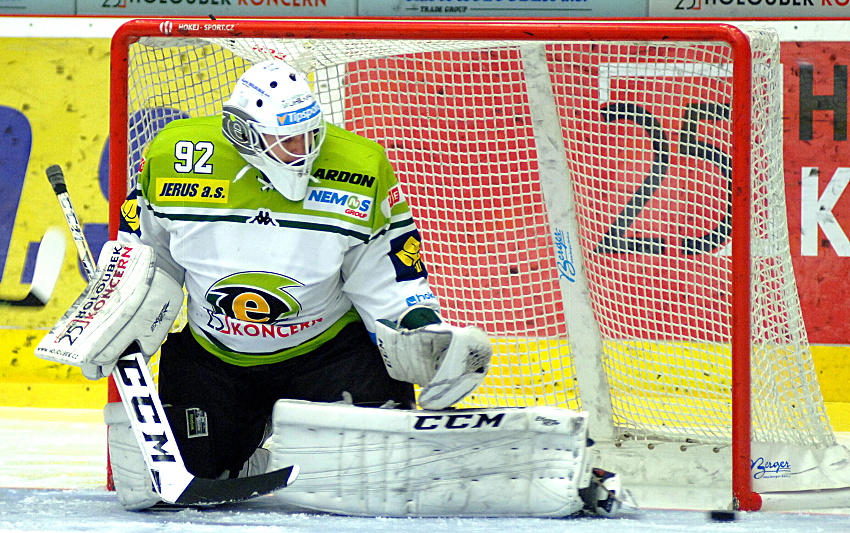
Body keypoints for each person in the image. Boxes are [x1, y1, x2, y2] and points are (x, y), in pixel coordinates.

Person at [38, 60, 625, 517]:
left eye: (311, 135)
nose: (306, 152)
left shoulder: (360, 166)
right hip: (216, 357)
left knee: (384, 482)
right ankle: (252, 447)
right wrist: (115, 308)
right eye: (288, 141)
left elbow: (388, 274)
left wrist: (420, 328)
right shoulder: (176, 158)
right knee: (164, 485)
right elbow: (149, 257)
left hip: (330, 356)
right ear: (244, 135)